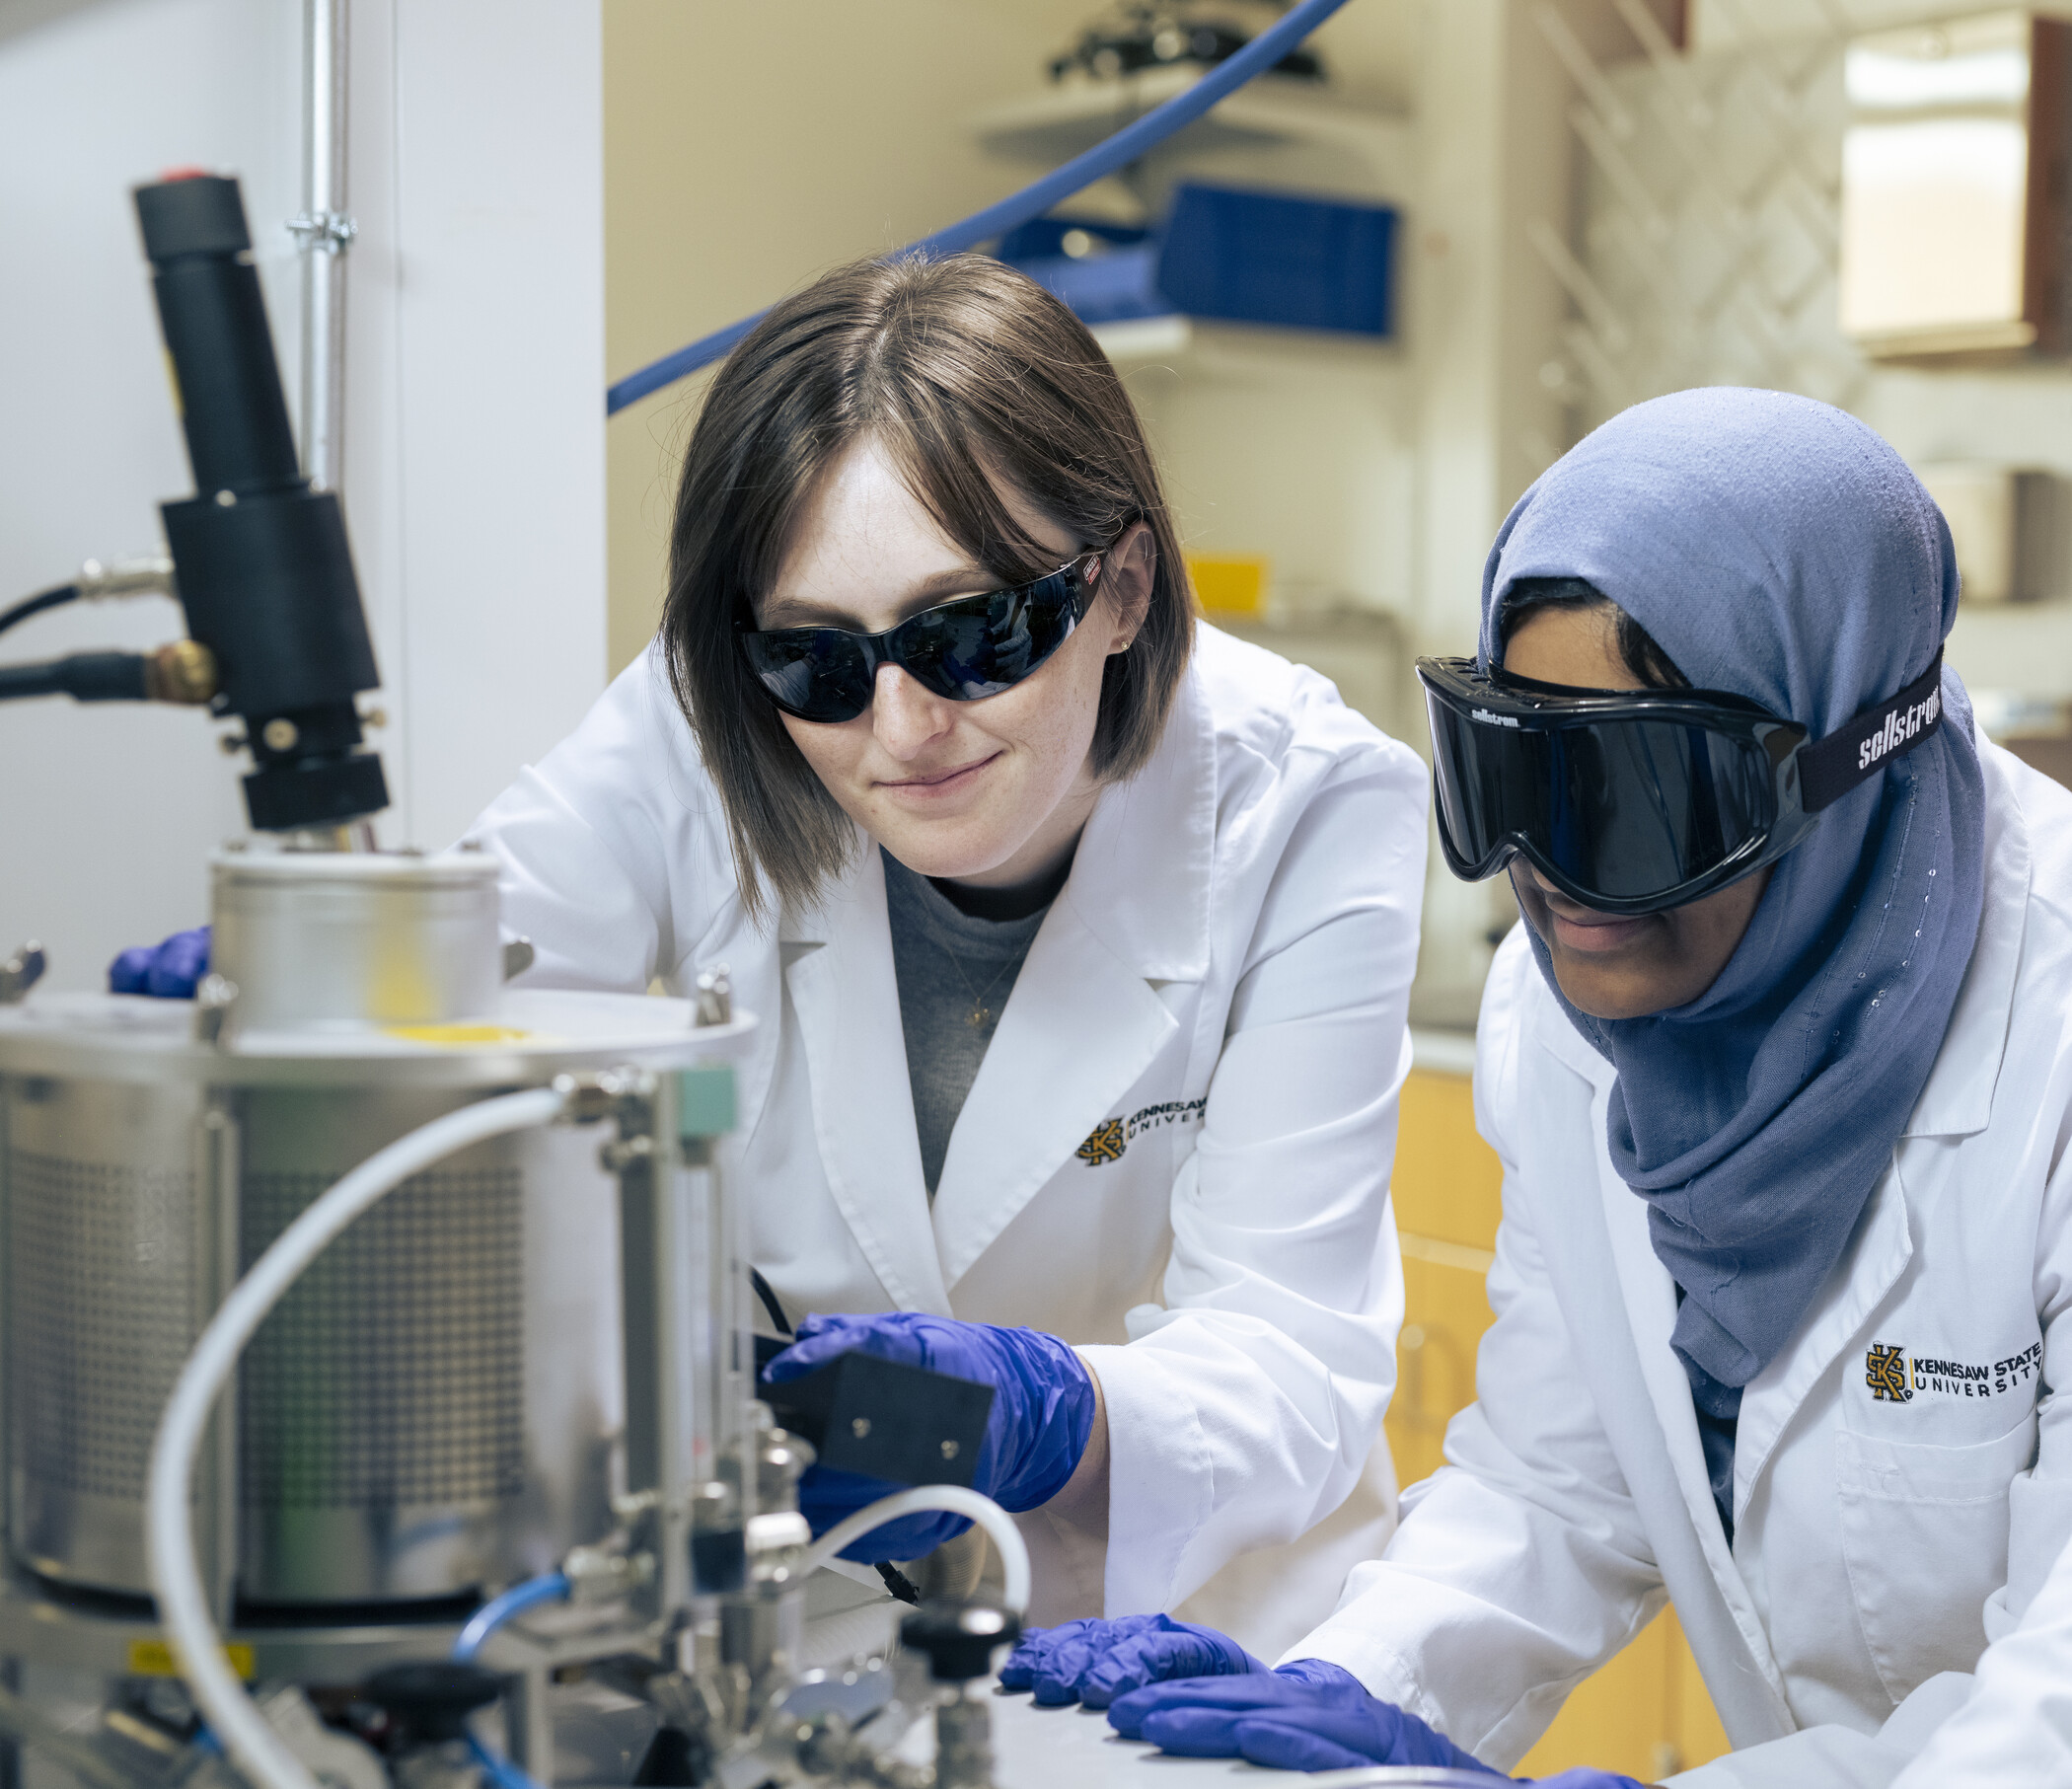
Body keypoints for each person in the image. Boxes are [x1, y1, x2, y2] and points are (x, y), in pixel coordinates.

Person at [999, 388, 2072, 1786]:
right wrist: (1358, 1689)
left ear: (1840, 763)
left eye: (1635, 794)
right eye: (1511, 769)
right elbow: (1560, 1476)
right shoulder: (1573, 1014)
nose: (1558, 875)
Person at [461, 254, 1428, 1650]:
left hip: (1191, 1626)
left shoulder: (1311, 799)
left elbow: (1287, 1362)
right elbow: (477, 972)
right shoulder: (709, 715)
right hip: (829, 1608)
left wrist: (1037, 1414)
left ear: (1123, 586)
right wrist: (343, 981)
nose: (904, 729)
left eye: (976, 633)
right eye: (823, 664)